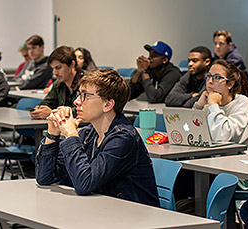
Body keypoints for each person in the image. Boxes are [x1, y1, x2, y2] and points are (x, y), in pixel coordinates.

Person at [36, 68, 160, 207]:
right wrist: (52, 134)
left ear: (107, 104)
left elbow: (84, 184)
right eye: (79, 94)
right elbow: (44, 178)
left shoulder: (124, 138)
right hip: (103, 211)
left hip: (135, 217)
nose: (76, 101)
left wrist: (71, 135)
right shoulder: (88, 133)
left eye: (85, 96)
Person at [194, 59, 248, 154]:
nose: (210, 81)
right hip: (216, 155)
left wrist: (213, 105)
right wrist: (198, 107)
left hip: (242, 158)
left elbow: (222, 136)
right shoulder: (207, 103)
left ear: (230, 84)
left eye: (217, 77)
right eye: (208, 76)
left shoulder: (243, 103)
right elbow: (193, 134)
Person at [30, 46, 84, 120]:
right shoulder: (58, 83)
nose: (55, 73)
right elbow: (47, 102)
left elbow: (84, 111)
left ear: (72, 64)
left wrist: (52, 113)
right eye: (53, 68)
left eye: (58, 68)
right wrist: (41, 108)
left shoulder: (87, 83)